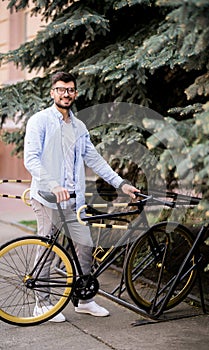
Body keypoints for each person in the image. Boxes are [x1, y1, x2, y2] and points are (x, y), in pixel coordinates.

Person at [24, 71, 139, 322]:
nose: (66, 94)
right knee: (48, 248)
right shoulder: (39, 121)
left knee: (84, 245)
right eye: (61, 89)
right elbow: (31, 159)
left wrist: (121, 184)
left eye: (70, 90)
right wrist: (53, 185)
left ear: (75, 93)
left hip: (74, 201)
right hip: (47, 197)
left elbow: (94, 159)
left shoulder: (78, 126)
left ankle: (84, 300)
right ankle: (41, 304)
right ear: (52, 92)